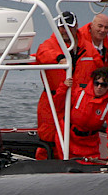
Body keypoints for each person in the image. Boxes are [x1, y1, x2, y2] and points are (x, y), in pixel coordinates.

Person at [34, 11, 102, 159]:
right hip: (52, 101)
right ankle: (43, 170)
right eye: (61, 27)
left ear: (76, 26)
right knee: (48, 138)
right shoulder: (50, 44)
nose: (64, 30)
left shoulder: (88, 47)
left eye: (68, 27)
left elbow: (100, 70)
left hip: (78, 102)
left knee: (74, 138)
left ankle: (71, 167)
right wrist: (59, 58)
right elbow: (42, 53)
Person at [53, 67, 108, 172]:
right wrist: (63, 87)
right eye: (96, 83)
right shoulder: (79, 93)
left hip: (89, 144)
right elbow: (58, 105)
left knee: (90, 171)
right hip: (67, 138)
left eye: (104, 85)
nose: (99, 87)